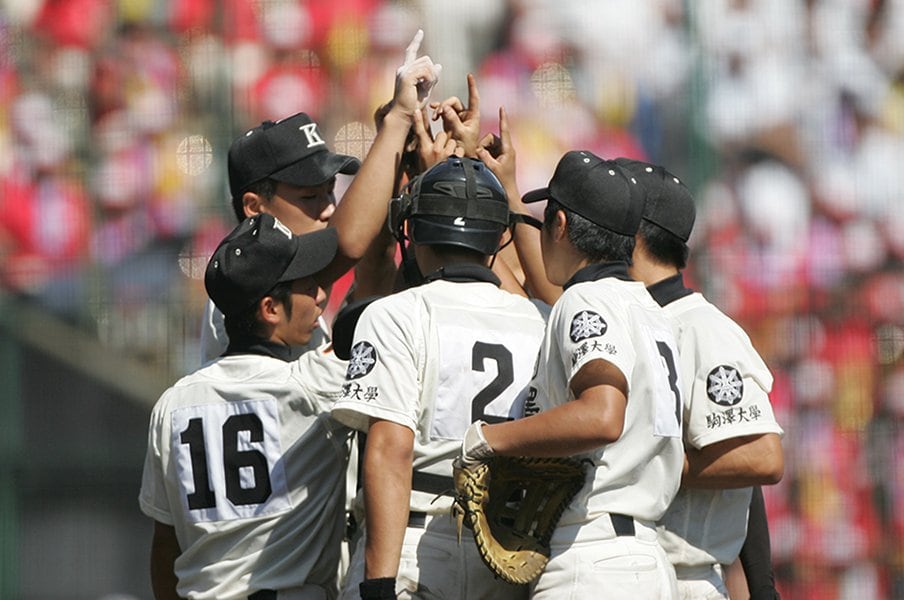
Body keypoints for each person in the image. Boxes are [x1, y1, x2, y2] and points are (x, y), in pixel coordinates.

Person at [457, 150, 684, 599]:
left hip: (592, 557)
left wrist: (490, 439)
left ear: (559, 225)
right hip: (648, 560)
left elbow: (602, 416)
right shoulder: (650, 311)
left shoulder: (588, 301)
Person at [330, 156, 546, 600]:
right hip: (506, 547)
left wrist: (378, 583)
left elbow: (391, 450)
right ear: (497, 238)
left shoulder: (394, 313)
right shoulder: (538, 321)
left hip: (414, 544)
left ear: (416, 231)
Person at [139, 213, 353, 599]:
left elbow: (164, 547)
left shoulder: (172, 404)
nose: (320, 295)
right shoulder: (312, 386)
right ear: (270, 309)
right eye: (307, 285)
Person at [614, 157, 784, 600]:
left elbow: (760, 457)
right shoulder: (622, 315)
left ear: (632, 234)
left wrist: (651, 462)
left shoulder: (701, 327)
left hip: (680, 577)